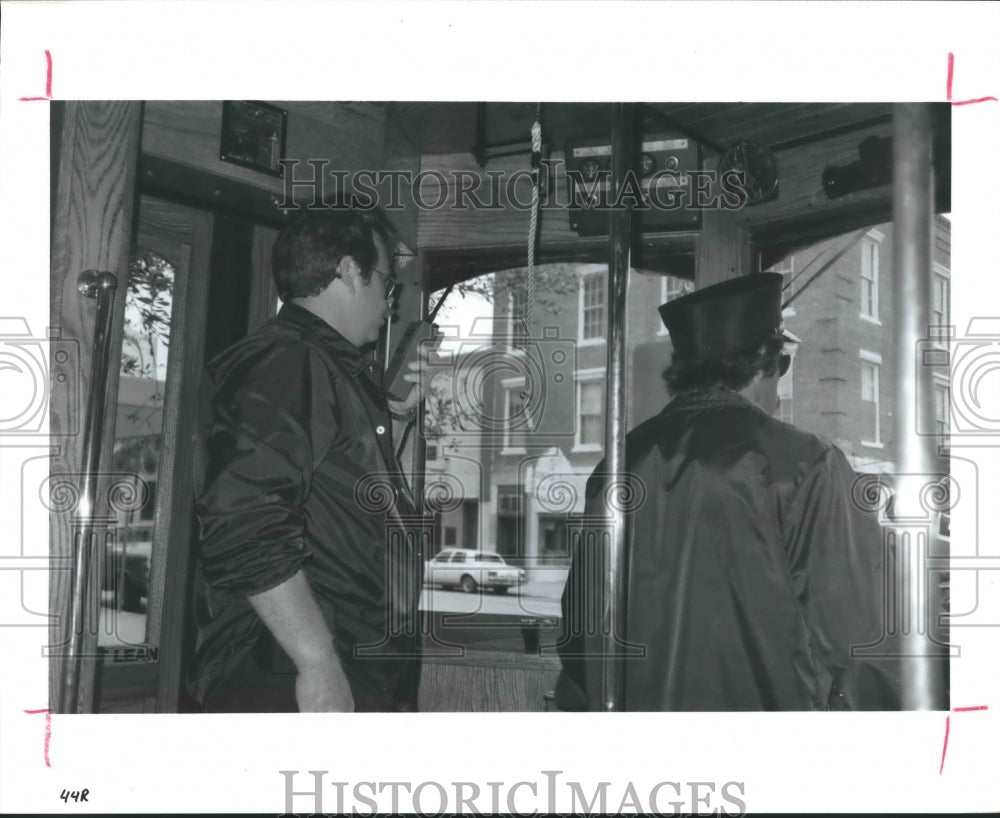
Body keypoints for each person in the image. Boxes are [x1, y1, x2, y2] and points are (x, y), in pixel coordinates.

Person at [556, 272, 901, 711]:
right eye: (783, 363)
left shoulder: (616, 466)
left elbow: (581, 634)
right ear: (763, 362)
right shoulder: (805, 463)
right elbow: (865, 643)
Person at [187, 207, 429, 713]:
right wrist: (317, 663)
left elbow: (343, 507)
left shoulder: (323, 367)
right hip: (284, 670)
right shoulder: (288, 361)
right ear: (347, 271)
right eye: (386, 282)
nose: (390, 302)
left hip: (335, 660)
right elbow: (244, 521)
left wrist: (396, 421)